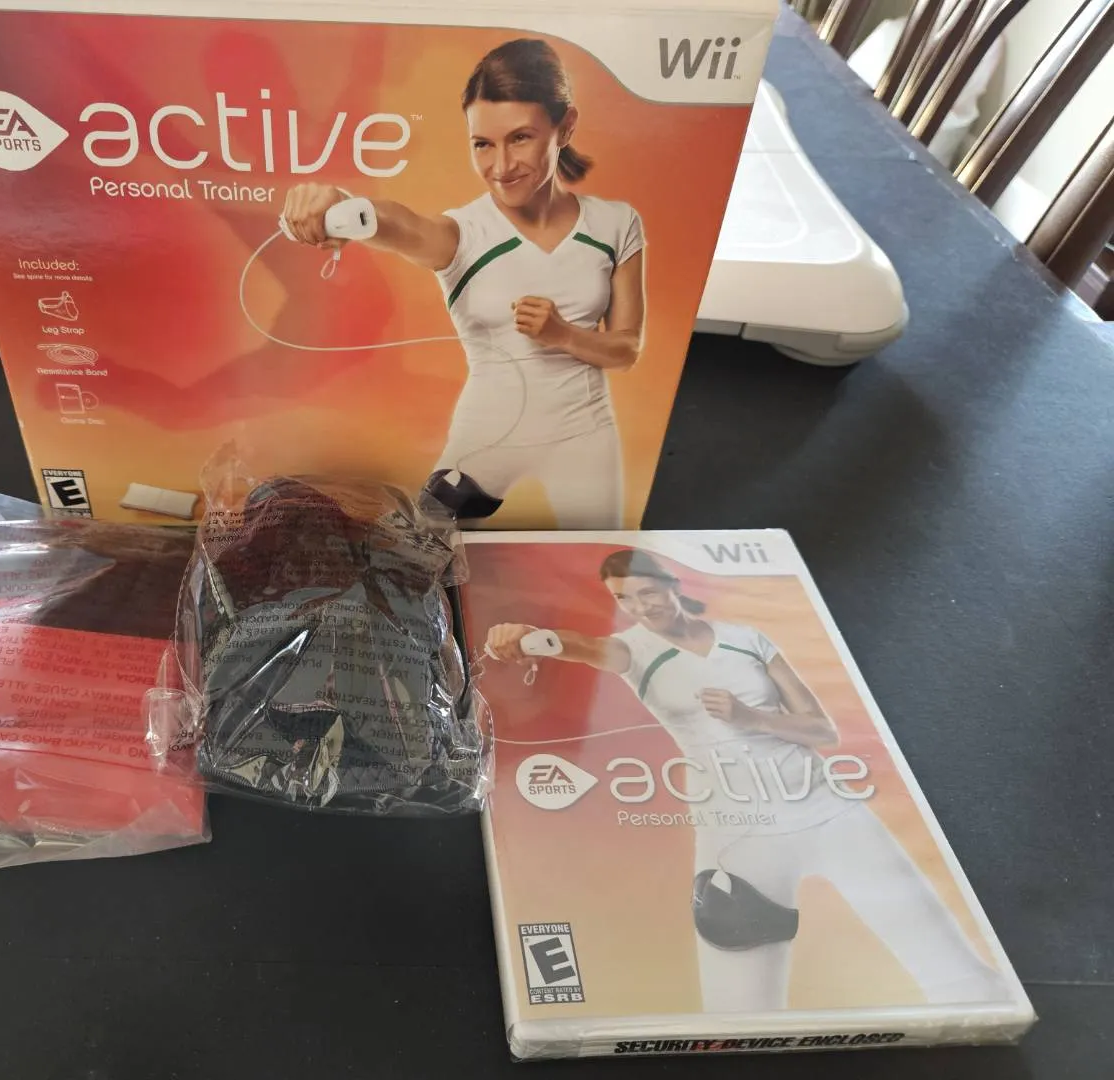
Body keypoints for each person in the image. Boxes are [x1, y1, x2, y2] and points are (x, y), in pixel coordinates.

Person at [484, 548, 1007, 1012]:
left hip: (832, 812)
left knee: (962, 978)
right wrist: (531, 639)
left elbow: (822, 729)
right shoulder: (633, 649)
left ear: (672, 584)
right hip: (738, 838)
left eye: (648, 592)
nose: (641, 606)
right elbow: (582, 646)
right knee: (737, 1010)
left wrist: (750, 717)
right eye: (625, 598)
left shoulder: (747, 639)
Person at [280, 38, 646, 528]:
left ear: (566, 127)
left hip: (586, 436)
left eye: (520, 138)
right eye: (483, 144)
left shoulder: (616, 224)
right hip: (486, 437)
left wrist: (562, 335)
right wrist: (341, 204)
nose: (501, 166)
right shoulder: (463, 233)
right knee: (419, 557)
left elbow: (626, 350)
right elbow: (404, 226)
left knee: (597, 560)